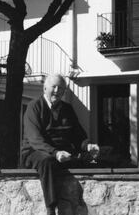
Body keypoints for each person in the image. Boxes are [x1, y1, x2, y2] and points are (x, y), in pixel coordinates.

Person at [21, 73, 99, 215]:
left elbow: (78, 136)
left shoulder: (67, 109)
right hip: (35, 152)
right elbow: (35, 139)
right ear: (45, 88)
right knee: (47, 161)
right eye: (54, 87)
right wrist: (55, 153)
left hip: (62, 153)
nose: (57, 91)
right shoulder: (34, 107)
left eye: (61, 88)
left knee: (92, 160)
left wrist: (88, 146)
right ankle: (51, 208)